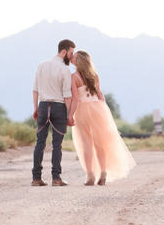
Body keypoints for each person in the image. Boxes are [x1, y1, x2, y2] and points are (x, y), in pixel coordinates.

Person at [69, 50, 136, 185]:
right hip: (97, 108)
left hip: (82, 109)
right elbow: (100, 94)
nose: (71, 58)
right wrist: (106, 112)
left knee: (85, 144)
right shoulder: (95, 76)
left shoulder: (74, 77)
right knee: (100, 142)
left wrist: (70, 115)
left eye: (74, 57)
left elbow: (75, 99)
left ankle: (90, 176)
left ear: (79, 61)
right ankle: (103, 172)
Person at [31, 39, 76, 186]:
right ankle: (56, 178)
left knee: (40, 142)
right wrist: (70, 115)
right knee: (57, 144)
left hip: (43, 105)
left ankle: (36, 178)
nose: (71, 56)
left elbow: (35, 89)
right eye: (71, 53)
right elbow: (67, 96)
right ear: (64, 52)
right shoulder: (65, 70)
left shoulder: (42, 65)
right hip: (59, 107)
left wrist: (36, 108)